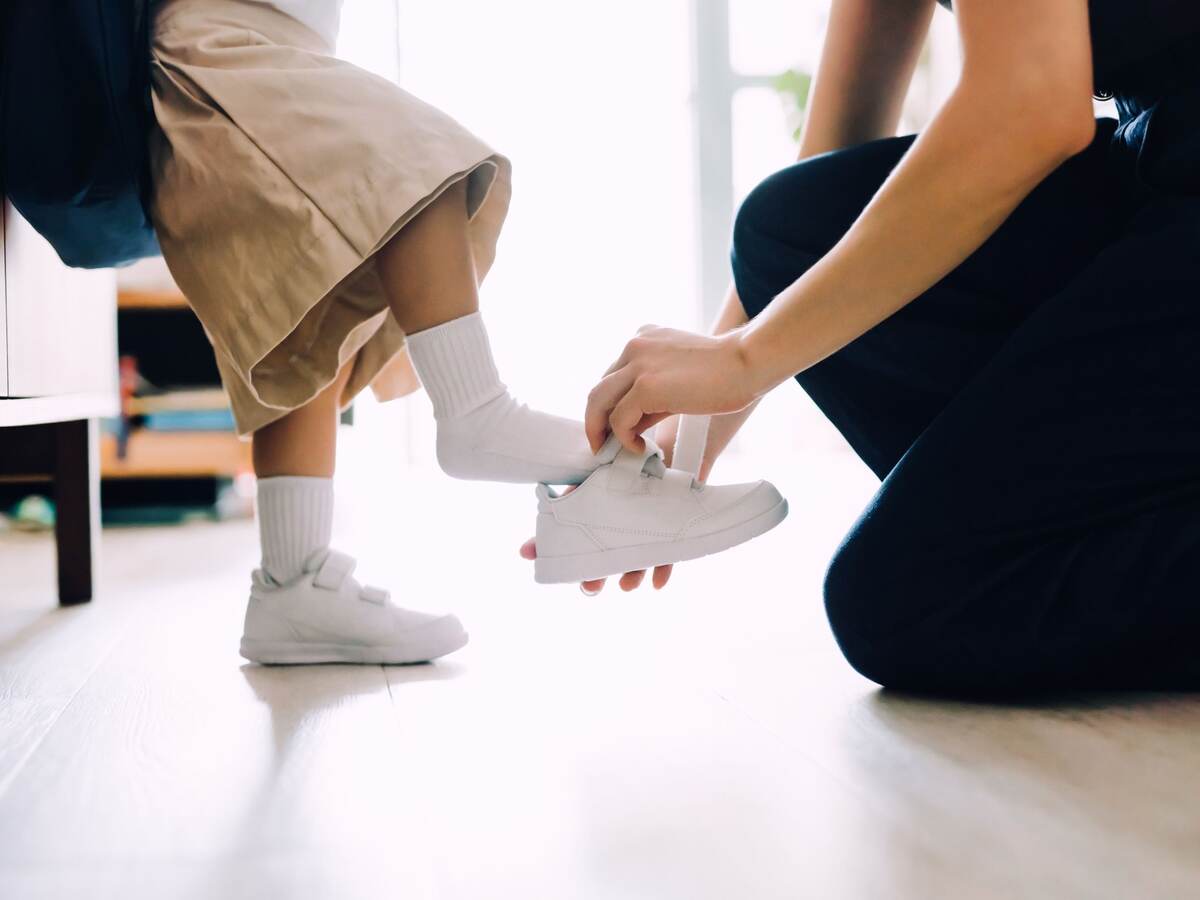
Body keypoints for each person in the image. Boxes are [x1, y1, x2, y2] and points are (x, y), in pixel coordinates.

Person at [567, 0, 1200, 694]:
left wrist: (746, 359)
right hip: (1160, 164)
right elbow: (835, 162)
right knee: (787, 230)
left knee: (913, 598)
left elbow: (1032, 104)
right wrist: (688, 442)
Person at [146, 0, 639, 665]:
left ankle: (292, 585)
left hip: (266, 46)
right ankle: (476, 415)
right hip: (211, 45)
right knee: (413, 164)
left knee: (312, 292)